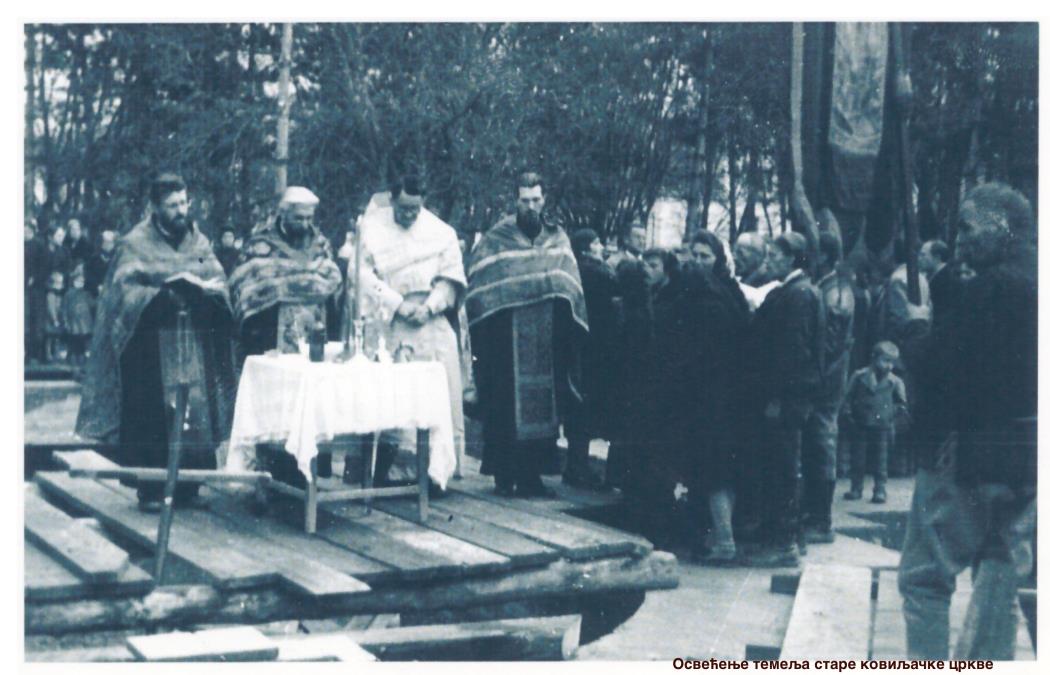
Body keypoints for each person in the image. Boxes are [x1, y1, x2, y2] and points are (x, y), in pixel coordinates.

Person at [899, 183, 1036, 660]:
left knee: (925, 578)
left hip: (968, 454)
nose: (959, 239)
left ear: (1002, 227)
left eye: (968, 227)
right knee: (999, 575)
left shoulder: (991, 288)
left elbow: (939, 364)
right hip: (1029, 457)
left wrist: (916, 326)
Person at [76, 173, 237, 510]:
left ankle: (190, 487)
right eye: (172, 205)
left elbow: (217, 278)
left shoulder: (198, 243)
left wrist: (208, 293)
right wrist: (160, 297)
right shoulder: (135, 243)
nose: (181, 211)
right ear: (155, 207)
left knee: (194, 412)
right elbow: (124, 291)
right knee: (151, 418)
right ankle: (150, 490)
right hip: (149, 347)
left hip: (191, 342)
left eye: (183, 203)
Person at [466, 172, 588, 498]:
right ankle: (504, 475)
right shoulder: (497, 238)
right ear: (515, 201)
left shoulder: (557, 237)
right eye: (524, 200)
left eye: (535, 200)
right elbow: (480, 286)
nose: (531, 206)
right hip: (505, 339)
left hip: (546, 337)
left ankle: (532, 477)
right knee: (505, 406)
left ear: (544, 200)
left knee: (544, 406)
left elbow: (569, 283)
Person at [345, 175, 468, 489]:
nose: (410, 214)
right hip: (390, 321)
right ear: (392, 199)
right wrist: (398, 304)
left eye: (416, 208)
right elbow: (361, 276)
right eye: (403, 208)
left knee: (438, 393)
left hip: (430, 320)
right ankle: (389, 472)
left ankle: (434, 473)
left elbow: (451, 278)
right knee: (390, 398)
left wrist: (430, 306)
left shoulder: (441, 232)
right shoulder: (371, 229)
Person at [228, 186, 343, 487]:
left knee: (309, 404)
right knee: (275, 407)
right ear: (283, 214)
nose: (305, 224)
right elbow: (247, 283)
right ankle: (269, 478)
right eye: (298, 218)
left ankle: (305, 474)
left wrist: (299, 284)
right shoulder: (260, 245)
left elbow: (331, 277)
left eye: (309, 218)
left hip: (314, 334)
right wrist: (296, 285)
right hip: (270, 335)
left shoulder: (320, 244)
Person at [745, 231, 825, 568]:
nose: (769, 262)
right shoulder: (797, 291)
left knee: (784, 468)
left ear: (792, 258)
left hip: (787, 398)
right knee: (783, 465)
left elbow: (793, 353)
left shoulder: (798, 295)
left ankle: (786, 543)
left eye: (775, 256)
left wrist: (778, 397)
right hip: (790, 396)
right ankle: (789, 536)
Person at [681, 230, 750, 564]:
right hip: (727, 395)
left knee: (713, 470)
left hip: (712, 397)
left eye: (704, 256)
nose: (697, 262)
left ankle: (724, 541)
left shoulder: (708, 298)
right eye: (693, 255)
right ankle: (718, 536)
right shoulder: (729, 291)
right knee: (721, 468)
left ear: (718, 259)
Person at [800, 230, 855, 544]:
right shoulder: (828, 286)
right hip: (823, 378)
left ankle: (821, 520)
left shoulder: (837, 292)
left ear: (824, 256)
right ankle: (814, 515)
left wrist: (814, 375)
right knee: (816, 443)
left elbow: (831, 345)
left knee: (822, 443)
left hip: (827, 381)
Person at [565, 228, 618, 488]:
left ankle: (575, 466)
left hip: (579, 345)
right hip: (597, 349)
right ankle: (579, 470)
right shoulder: (599, 272)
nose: (601, 246)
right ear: (586, 248)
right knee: (587, 411)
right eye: (596, 243)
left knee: (578, 411)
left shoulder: (573, 270)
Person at [843, 341, 906, 503]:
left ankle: (880, 490)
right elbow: (848, 397)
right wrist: (849, 414)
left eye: (892, 362)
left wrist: (891, 415)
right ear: (874, 358)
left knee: (881, 460)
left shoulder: (895, 382)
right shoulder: (859, 376)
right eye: (885, 360)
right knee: (858, 458)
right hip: (861, 422)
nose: (889, 366)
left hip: (883, 425)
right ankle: (856, 488)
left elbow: (901, 404)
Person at [732, 232, 780, 311]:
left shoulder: (769, 280)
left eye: (740, 253)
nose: (735, 257)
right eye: (734, 252)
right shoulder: (746, 276)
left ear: (758, 255)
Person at [25, 221, 49, 364]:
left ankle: (37, 354)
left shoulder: (39, 246)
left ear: (33, 231)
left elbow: (44, 266)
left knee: (36, 322)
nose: (25, 234)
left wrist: (35, 278)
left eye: (27, 231)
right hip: (24, 289)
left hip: (36, 290)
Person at [62, 265, 95, 367]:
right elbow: (64, 309)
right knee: (74, 345)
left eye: (82, 281)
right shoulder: (68, 294)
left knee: (83, 345)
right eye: (78, 281)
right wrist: (66, 322)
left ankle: (83, 363)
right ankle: (73, 363)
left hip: (84, 325)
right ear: (73, 281)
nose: (80, 283)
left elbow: (93, 305)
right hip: (73, 325)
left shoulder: (86, 294)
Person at [85, 229, 117, 297]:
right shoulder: (94, 258)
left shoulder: (116, 258)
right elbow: (88, 275)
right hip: (94, 291)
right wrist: (97, 286)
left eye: (110, 242)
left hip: (111, 291)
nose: (107, 244)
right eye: (105, 242)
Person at [44, 270, 66, 363]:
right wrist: (55, 319)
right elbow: (51, 308)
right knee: (50, 337)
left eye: (61, 282)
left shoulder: (59, 295)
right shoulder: (51, 295)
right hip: (52, 319)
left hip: (58, 318)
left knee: (57, 337)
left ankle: (56, 354)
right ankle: (48, 354)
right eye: (58, 283)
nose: (60, 285)